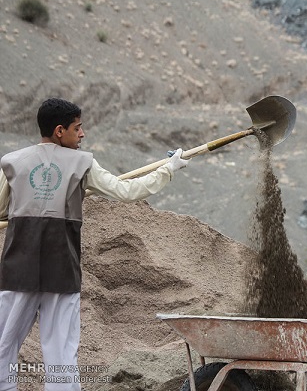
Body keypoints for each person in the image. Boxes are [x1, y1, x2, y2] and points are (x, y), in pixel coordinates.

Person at [0, 98, 189, 391]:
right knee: (61, 356)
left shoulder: (12, 162)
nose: (83, 134)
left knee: (3, 346)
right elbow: (127, 191)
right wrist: (169, 168)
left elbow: (1, 211)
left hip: (17, 269)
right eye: (78, 128)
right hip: (60, 270)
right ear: (60, 131)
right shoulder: (83, 163)